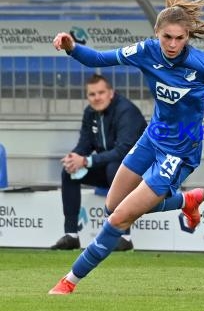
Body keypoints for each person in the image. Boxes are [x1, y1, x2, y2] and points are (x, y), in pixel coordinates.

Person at [48, 0, 204, 295]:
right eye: (167, 37)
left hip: (180, 152)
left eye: (180, 38)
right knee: (113, 205)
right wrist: (71, 47)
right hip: (153, 138)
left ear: (188, 35)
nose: (173, 44)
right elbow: (99, 58)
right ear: (157, 34)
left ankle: (69, 282)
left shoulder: (201, 64)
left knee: (120, 217)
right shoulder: (146, 51)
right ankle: (185, 201)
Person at [51, 74, 147, 252]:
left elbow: (124, 151)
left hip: (141, 173)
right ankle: (71, 235)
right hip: (112, 169)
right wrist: (74, 158)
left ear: (111, 93)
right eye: (92, 94)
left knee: (116, 168)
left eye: (101, 93)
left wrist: (86, 161)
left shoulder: (126, 111)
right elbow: (85, 144)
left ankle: (124, 237)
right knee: (70, 173)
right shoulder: (90, 112)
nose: (97, 98)